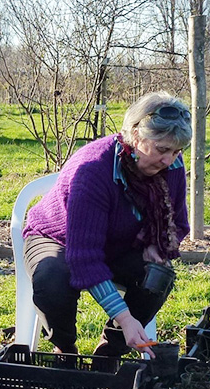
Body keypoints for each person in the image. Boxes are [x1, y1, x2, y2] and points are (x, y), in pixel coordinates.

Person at [22, 91, 192, 359]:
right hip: (58, 237)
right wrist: (125, 317)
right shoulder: (93, 170)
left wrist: (154, 246)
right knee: (53, 278)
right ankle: (65, 348)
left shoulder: (171, 167)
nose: (169, 161)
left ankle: (109, 351)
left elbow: (179, 224)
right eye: (161, 150)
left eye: (176, 151)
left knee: (158, 276)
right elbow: (84, 259)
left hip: (121, 242)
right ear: (135, 135)